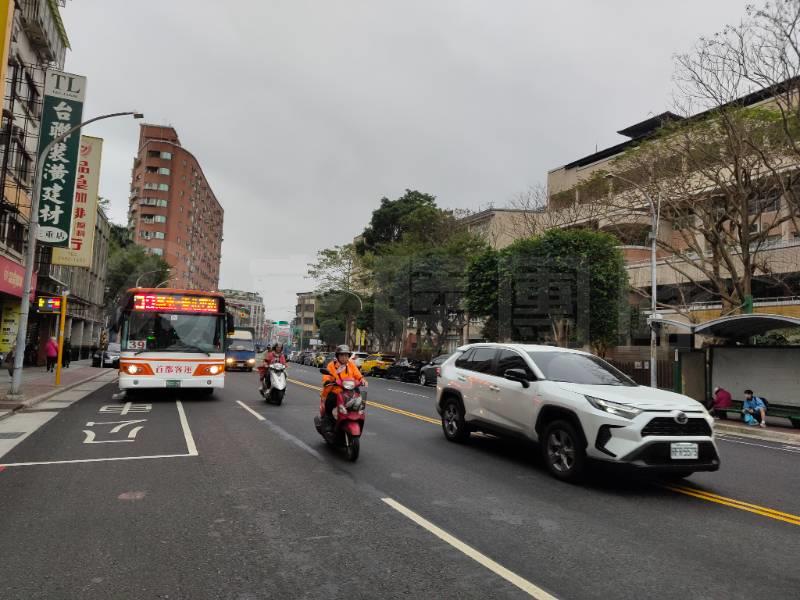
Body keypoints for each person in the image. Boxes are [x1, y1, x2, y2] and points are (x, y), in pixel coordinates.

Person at [321, 345, 365, 426]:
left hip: (350, 390)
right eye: (341, 355)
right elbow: (326, 376)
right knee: (329, 402)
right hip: (336, 390)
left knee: (358, 399)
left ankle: (357, 415)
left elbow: (357, 374)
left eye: (346, 355)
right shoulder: (332, 365)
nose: (344, 357)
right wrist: (327, 380)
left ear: (348, 356)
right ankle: (327, 421)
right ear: (337, 356)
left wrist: (362, 379)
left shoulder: (351, 364)